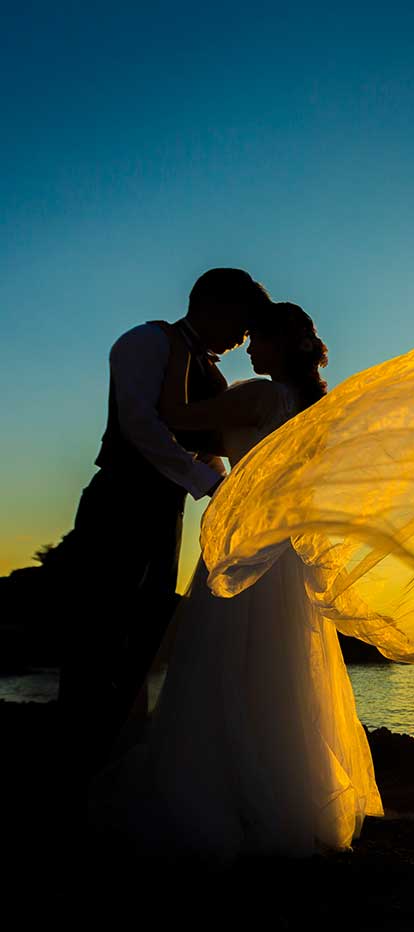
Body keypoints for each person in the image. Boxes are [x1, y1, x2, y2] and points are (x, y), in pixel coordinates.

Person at [89, 302, 384, 860]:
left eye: (259, 340)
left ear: (280, 345)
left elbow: (174, 414)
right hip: (284, 554)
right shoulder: (309, 407)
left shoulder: (261, 395)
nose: (249, 349)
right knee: (278, 671)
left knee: (220, 666)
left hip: (247, 552)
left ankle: (218, 790)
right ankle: (282, 796)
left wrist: (179, 349)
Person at [59, 268, 271, 775]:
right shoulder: (146, 341)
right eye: (243, 323)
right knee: (99, 629)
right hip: (121, 498)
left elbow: (205, 441)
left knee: (145, 627)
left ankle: (113, 750)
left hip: (166, 507)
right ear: (215, 304)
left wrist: (227, 486)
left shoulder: (209, 369)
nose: (244, 339)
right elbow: (139, 423)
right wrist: (208, 481)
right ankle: (75, 755)